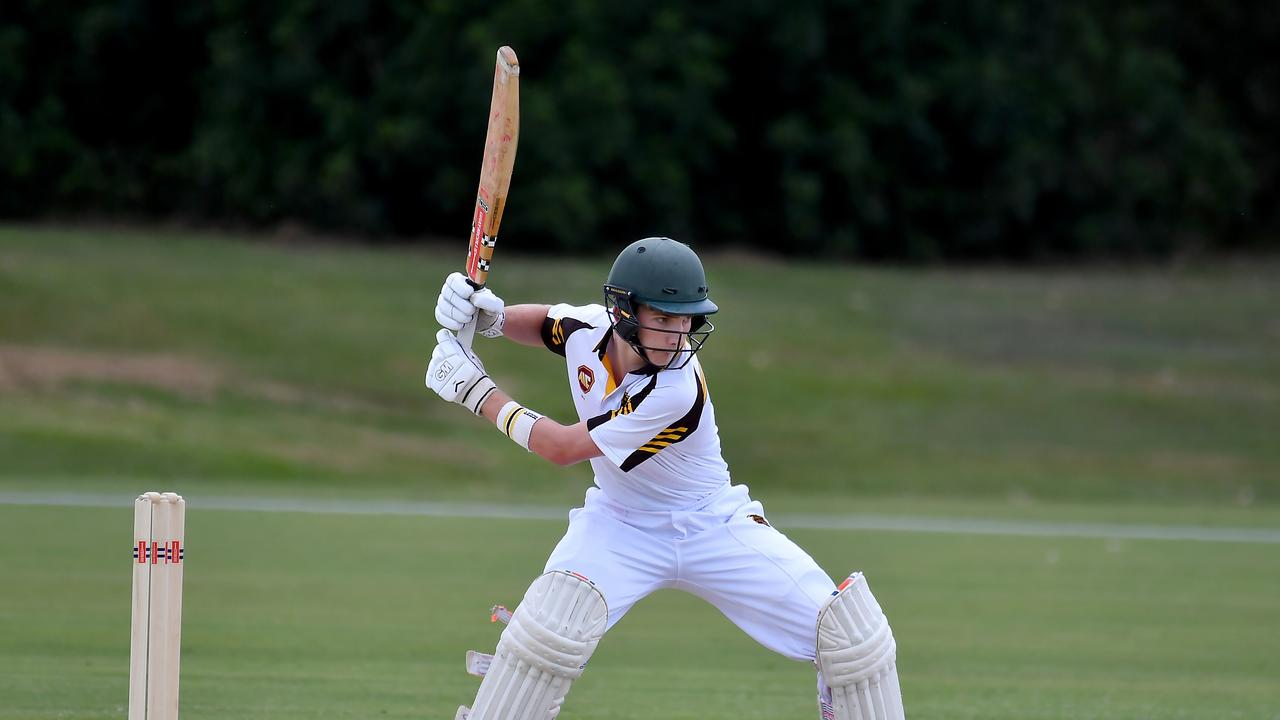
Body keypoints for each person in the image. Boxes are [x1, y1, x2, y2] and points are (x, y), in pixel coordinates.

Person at [426, 238, 905, 720]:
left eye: (686, 320)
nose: (677, 335)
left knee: (851, 640)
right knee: (546, 635)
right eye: (664, 318)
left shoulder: (675, 388)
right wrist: (490, 316)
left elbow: (561, 448)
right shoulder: (588, 325)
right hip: (618, 524)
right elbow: (547, 324)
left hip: (712, 524)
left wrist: (474, 391)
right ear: (623, 311)